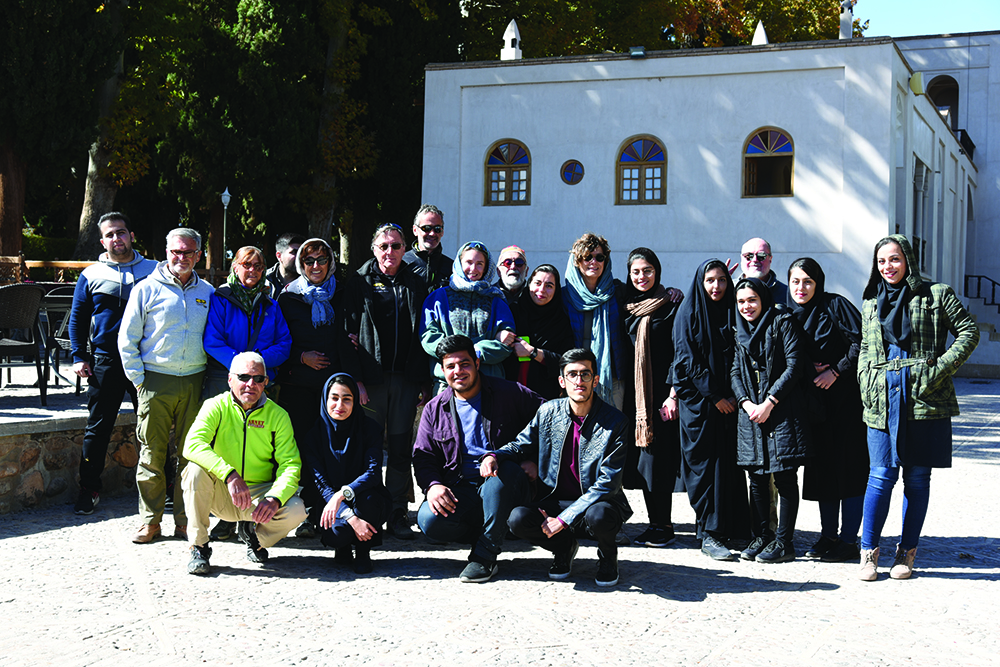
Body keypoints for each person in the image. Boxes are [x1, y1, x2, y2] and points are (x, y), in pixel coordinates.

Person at [856, 235, 979, 581]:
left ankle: (906, 552)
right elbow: (866, 347)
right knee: (880, 476)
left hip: (924, 398)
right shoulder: (871, 301)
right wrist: (865, 379)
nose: (888, 267)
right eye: (881, 261)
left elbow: (968, 332)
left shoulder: (936, 294)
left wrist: (938, 371)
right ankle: (868, 552)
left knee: (917, 478)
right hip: (882, 398)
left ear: (908, 260)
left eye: (894, 259)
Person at [496, 348, 632, 587]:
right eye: (572, 375)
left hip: (598, 502)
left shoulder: (615, 422)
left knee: (599, 516)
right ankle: (564, 547)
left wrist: (564, 519)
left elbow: (608, 482)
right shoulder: (548, 412)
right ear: (562, 381)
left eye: (585, 374)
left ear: (595, 380)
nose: (579, 381)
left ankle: (608, 556)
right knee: (517, 519)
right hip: (554, 500)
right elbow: (520, 444)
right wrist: (494, 456)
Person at [413, 335, 543, 583]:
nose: (458, 371)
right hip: (462, 487)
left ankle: (484, 557)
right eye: (451, 366)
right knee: (429, 520)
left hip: (507, 481)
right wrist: (433, 486)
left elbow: (549, 420)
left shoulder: (510, 392)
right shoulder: (434, 409)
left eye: (464, 364)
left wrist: (534, 459)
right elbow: (424, 457)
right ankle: (492, 532)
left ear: (477, 363)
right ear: (442, 371)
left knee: (499, 476)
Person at [119, 227, 214, 544]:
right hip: (155, 381)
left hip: (195, 381)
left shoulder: (208, 293)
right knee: (152, 455)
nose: (181, 257)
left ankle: (186, 521)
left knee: (192, 456)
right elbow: (127, 339)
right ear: (166, 252)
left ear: (198, 255)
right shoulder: (146, 289)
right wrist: (139, 381)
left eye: (188, 252)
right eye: (176, 251)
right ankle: (150, 521)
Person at [182, 353, 306, 575]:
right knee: (194, 470)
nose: (251, 384)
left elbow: (290, 465)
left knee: (297, 510)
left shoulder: (278, 415)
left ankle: (255, 536)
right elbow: (192, 445)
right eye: (244, 377)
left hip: (258, 496)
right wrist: (229, 475)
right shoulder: (215, 406)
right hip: (222, 492)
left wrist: (275, 497)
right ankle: (199, 546)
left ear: (266, 383)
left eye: (258, 379)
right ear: (230, 379)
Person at [68, 212, 157, 515]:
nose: (116, 238)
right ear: (102, 241)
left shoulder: (155, 271)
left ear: (131, 235)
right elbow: (78, 319)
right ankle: (89, 488)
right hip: (105, 361)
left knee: (153, 427)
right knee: (98, 428)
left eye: (121, 232)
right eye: (109, 234)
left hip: (146, 360)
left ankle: (162, 487)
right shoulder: (91, 275)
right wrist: (79, 355)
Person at [345, 223, 428, 540]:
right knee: (368, 448)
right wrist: (357, 381)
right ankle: (368, 508)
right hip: (371, 381)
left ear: (405, 248)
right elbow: (348, 334)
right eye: (384, 246)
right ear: (374, 249)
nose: (390, 251)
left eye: (396, 246)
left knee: (399, 447)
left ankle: (396, 511)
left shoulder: (415, 281)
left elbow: (422, 332)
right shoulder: (359, 281)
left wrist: (421, 380)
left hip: (405, 380)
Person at [202, 246, 291, 541]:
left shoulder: (270, 305)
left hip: (260, 383)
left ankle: (251, 515)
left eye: (258, 266)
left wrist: (257, 366)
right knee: (224, 442)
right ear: (235, 267)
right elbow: (212, 340)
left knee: (258, 447)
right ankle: (225, 514)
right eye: (246, 265)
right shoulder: (221, 299)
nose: (252, 271)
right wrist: (242, 366)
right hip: (225, 379)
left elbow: (284, 344)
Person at [787, 258, 869, 563]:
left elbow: (863, 342)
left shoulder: (835, 305)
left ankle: (849, 540)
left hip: (846, 404)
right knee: (824, 470)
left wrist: (836, 371)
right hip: (816, 408)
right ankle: (828, 535)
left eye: (807, 281)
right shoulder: (790, 314)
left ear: (818, 283)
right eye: (795, 281)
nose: (801, 288)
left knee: (850, 469)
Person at [277, 237, 359, 536]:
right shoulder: (288, 297)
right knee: (300, 448)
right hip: (298, 384)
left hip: (334, 388)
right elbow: (279, 339)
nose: (315, 266)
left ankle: (329, 511)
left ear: (330, 263)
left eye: (322, 260)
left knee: (330, 448)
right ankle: (303, 511)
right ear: (300, 264)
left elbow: (352, 331)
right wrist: (302, 357)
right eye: (309, 260)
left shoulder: (343, 294)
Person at [671, 259, 751, 561]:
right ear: (700, 283)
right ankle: (709, 532)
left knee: (730, 467)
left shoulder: (731, 310)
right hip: (701, 406)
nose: (716, 286)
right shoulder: (688, 313)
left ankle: (735, 527)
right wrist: (715, 397)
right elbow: (687, 360)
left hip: (732, 404)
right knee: (706, 468)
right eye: (710, 280)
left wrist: (734, 396)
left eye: (722, 280)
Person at [731, 277, 812, 563]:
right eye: (741, 301)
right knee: (756, 478)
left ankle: (784, 542)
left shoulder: (782, 322)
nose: (746, 306)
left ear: (763, 299)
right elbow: (734, 371)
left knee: (785, 477)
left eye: (752, 300)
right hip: (752, 413)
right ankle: (761, 536)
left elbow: (794, 365)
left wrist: (769, 402)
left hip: (782, 411)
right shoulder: (738, 330)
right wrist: (746, 403)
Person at [300, 374, 391, 574]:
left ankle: (363, 551)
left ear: (355, 401)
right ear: (325, 400)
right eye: (334, 398)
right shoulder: (314, 436)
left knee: (368, 500)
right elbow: (321, 484)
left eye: (347, 399)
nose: (339, 405)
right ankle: (343, 547)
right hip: (330, 500)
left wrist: (342, 494)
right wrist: (349, 516)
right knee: (336, 533)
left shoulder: (370, 429)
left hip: (365, 497)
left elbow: (373, 473)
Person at [622, 248, 682, 548]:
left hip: (660, 396)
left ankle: (664, 525)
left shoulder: (671, 306)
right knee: (644, 462)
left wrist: (673, 394)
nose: (641, 276)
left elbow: (679, 352)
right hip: (635, 397)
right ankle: (654, 523)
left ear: (657, 272)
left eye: (647, 270)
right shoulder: (627, 306)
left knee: (659, 461)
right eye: (636, 272)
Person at [421, 241, 515, 389]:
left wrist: (480, 351)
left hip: (488, 383)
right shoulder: (438, 298)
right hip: (448, 383)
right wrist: (460, 355)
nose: (473, 268)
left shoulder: (496, 301)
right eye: (469, 262)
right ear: (459, 263)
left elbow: (506, 344)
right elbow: (428, 336)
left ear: (486, 268)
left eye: (479, 264)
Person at [562, 233, 631, 408]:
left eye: (599, 257)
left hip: (612, 378)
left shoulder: (618, 291)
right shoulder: (564, 296)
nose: (594, 262)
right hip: (577, 378)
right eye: (587, 257)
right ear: (577, 261)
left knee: (612, 423)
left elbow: (645, 295)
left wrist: (667, 292)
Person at [503, 264, 575, 400]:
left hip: (544, 396)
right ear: (529, 284)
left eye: (549, 286)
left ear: (556, 290)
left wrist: (533, 352)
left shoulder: (561, 321)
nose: (541, 290)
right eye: (537, 283)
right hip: (509, 392)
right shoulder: (512, 312)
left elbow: (565, 361)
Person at [403, 204, 452, 291]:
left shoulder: (451, 268)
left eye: (437, 228)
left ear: (442, 232)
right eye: (426, 228)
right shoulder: (402, 263)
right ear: (415, 230)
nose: (432, 233)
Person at [739, 237, 788, 305]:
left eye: (761, 256)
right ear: (741, 259)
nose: (755, 260)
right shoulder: (729, 288)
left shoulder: (786, 293)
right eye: (749, 256)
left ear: (770, 259)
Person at [265, 232, 305, 300]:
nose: (299, 257)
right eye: (294, 252)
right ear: (279, 256)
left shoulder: (309, 283)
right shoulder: (263, 280)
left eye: (302, 253)